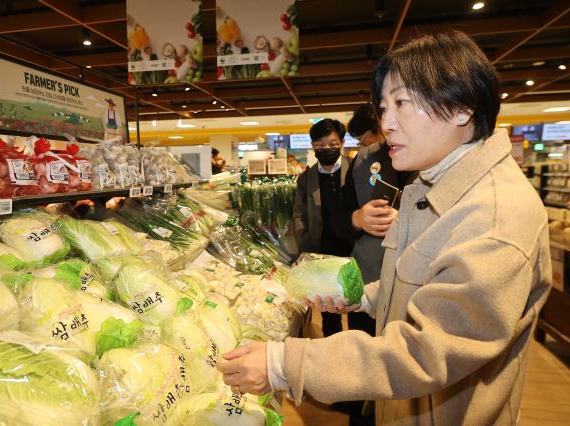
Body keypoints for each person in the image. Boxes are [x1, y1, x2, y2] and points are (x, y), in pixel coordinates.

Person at [217, 31, 552, 425]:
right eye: (383, 106)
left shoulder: (494, 216)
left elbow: (425, 352)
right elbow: (420, 285)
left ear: (462, 107)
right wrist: (361, 298)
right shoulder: (435, 184)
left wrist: (283, 362)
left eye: (402, 104)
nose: (386, 123)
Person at [332, 103, 416, 425]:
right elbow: (338, 218)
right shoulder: (365, 160)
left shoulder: (442, 161)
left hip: (413, 289)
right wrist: (356, 218)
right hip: (367, 279)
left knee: (403, 371)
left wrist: (409, 222)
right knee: (362, 362)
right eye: (385, 114)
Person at [293, 118, 353, 337]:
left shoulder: (355, 168)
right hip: (322, 250)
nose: (326, 149)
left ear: (342, 142)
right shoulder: (307, 178)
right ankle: (333, 346)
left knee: (357, 302)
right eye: (320, 145)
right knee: (328, 307)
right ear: (313, 146)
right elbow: (298, 214)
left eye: (332, 144)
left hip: (353, 248)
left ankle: (358, 345)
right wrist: (305, 244)